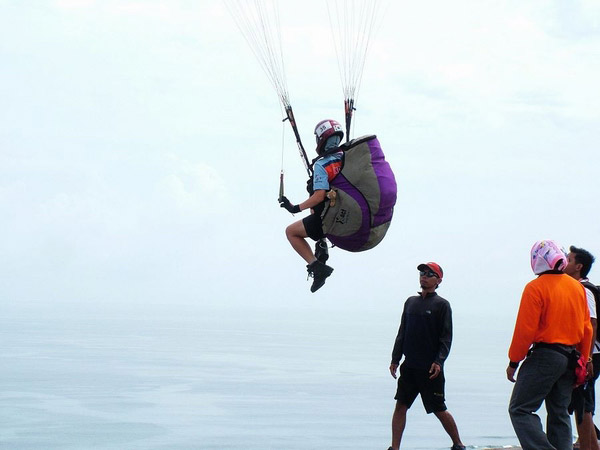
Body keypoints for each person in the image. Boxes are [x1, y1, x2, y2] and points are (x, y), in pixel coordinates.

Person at [507, 240, 593, 450]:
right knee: (559, 411)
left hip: (545, 355)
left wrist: (513, 361)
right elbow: (587, 328)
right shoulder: (576, 287)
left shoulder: (535, 288)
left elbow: (525, 330)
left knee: (520, 409)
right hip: (571, 357)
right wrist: (583, 359)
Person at [387, 262, 466, 450]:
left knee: (439, 408)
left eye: (430, 274)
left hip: (430, 369)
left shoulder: (442, 305)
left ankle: (458, 444)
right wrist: (395, 359)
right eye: (422, 272)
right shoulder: (410, 302)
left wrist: (439, 361)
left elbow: (446, 338)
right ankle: (395, 447)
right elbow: (402, 332)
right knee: (401, 405)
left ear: (438, 280)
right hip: (410, 366)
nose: (424, 276)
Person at [279, 119, 343, 293]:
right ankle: (321, 243)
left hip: (330, 218)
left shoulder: (322, 164)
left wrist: (294, 208)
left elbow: (319, 196)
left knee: (291, 232)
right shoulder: (348, 157)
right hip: (349, 213)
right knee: (314, 205)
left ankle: (317, 267)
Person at [565, 246, 600, 450]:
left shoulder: (584, 289)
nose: (564, 263)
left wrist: (586, 358)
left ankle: (588, 446)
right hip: (588, 354)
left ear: (578, 267)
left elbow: (592, 322)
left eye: (569, 260)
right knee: (582, 402)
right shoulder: (577, 287)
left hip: (590, 355)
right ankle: (589, 444)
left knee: (582, 404)